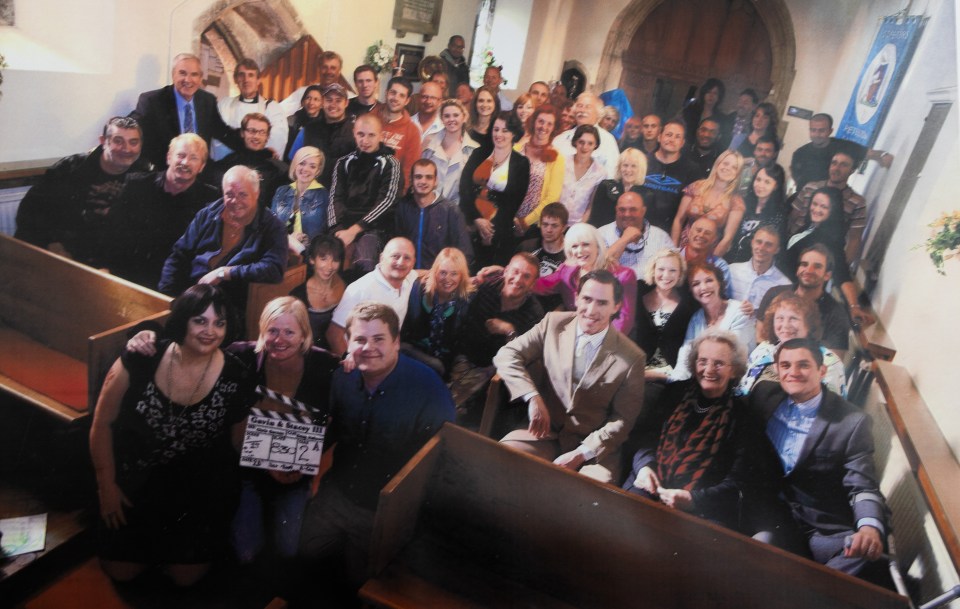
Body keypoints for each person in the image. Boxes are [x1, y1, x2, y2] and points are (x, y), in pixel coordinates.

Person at [124, 296, 339, 567]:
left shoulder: (325, 365)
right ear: (262, 330)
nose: (279, 339)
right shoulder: (242, 355)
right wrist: (145, 332)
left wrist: (313, 466)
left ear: (304, 335)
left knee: (288, 548)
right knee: (246, 552)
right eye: (272, 330)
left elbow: (343, 400)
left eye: (289, 332)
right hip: (247, 470)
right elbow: (190, 343)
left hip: (294, 473)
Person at [89, 285, 254, 586]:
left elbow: (237, 444)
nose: (210, 331)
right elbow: (102, 424)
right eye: (200, 321)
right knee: (121, 572)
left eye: (220, 323)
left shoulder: (236, 375)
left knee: (185, 579)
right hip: (136, 480)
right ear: (183, 321)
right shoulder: (143, 356)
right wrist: (106, 487)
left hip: (194, 491)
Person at [299, 303, 455, 597]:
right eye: (359, 339)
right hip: (338, 494)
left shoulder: (429, 389)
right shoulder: (343, 378)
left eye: (379, 339)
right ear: (348, 343)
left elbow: (441, 461)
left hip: (385, 511)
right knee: (305, 554)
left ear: (397, 342)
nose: (368, 347)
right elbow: (328, 429)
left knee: (364, 583)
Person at [750, 338, 890, 578]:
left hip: (822, 529)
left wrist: (868, 527)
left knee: (862, 557)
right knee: (756, 552)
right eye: (785, 366)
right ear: (777, 369)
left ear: (822, 371)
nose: (793, 373)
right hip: (773, 520)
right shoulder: (763, 397)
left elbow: (862, 485)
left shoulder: (851, 421)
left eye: (803, 365)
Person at [495, 270, 646, 484]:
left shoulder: (632, 358)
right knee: (501, 457)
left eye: (602, 303)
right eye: (587, 299)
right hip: (545, 433)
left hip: (593, 452)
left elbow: (622, 421)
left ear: (617, 306)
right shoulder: (553, 323)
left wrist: (581, 453)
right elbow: (507, 354)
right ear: (576, 298)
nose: (591, 310)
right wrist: (531, 396)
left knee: (589, 493)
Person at [624, 330, 778, 533]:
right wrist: (645, 467)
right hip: (651, 484)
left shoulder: (743, 417)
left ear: (734, 370)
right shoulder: (674, 393)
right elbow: (645, 439)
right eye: (702, 361)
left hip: (703, 506)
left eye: (719, 363)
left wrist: (693, 500)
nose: (709, 369)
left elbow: (739, 481)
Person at [15, 116, 153, 263]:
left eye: (134, 142)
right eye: (118, 141)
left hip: (111, 260)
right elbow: (30, 211)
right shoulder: (70, 168)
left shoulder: (146, 175)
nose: (126, 149)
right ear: (103, 141)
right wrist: (51, 243)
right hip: (62, 251)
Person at [158, 165, 288, 310]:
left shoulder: (272, 226)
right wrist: (165, 298)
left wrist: (225, 273)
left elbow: (274, 269)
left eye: (243, 194)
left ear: (256, 193)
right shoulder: (207, 214)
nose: (235, 201)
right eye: (229, 194)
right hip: (191, 296)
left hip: (228, 305)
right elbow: (178, 255)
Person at [104, 134, 219, 289]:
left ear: (202, 166)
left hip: (174, 286)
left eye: (193, 158)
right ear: (169, 157)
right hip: (126, 277)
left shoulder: (210, 200)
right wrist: (105, 267)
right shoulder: (137, 184)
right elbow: (111, 230)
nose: (185, 162)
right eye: (181, 155)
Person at [448, 253, 544, 410]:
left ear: (533, 284)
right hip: (461, 353)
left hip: (491, 370)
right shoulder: (487, 286)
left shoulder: (534, 314)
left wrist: (509, 331)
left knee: (453, 400)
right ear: (505, 271)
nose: (518, 279)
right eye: (515, 272)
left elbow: (524, 357)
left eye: (526, 276)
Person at [130, 53, 242, 169]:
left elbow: (223, 132)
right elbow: (131, 128)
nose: (188, 80)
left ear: (200, 78)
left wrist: (251, 142)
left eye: (194, 74)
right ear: (173, 75)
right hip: (167, 171)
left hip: (201, 170)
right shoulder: (152, 101)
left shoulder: (207, 101)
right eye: (182, 73)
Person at [532, 222, 638, 336]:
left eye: (585, 244)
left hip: (609, 342)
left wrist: (599, 344)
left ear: (597, 246)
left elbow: (624, 321)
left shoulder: (623, 276)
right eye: (574, 246)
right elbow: (536, 286)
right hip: (574, 337)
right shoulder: (567, 273)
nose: (580, 251)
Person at [327, 114, 401, 272]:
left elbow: (387, 202)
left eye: (371, 135)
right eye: (361, 134)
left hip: (375, 227)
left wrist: (354, 230)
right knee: (324, 257)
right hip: (343, 225)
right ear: (354, 133)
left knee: (364, 261)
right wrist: (338, 230)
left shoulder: (391, 163)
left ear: (381, 135)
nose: (365, 141)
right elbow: (335, 198)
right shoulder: (343, 162)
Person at [736, 292, 845, 396]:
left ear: (808, 324)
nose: (785, 325)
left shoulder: (829, 361)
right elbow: (742, 389)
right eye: (780, 318)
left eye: (793, 318)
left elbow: (829, 406)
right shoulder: (763, 350)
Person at [662, 263, 755, 382]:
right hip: (707, 380)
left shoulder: (740, 311)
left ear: (719, 283)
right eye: (696, 284)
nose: (704, 287)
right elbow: (684, 363)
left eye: (709, 280)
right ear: (691, 291)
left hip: (737, 382)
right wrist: (663, 377)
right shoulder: (696, 319)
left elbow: (730, 359)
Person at [460, 111, 531, 267]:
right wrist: (476, 219)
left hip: (499, 230)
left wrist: (490, 230)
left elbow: (513, 202)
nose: (499, 134)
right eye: (496, 129)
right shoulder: (479, 154)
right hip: (470, 224)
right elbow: (464, 188)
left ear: (514, 133)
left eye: (505, 130)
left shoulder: (521, 163)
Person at [325, 237, 417, 356]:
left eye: (407, 258)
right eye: (395, 256)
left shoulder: (409, 278)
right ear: (382, 258)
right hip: (363, 358)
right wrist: (352, 367)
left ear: (413, 263)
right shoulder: (360, 289)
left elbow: (422, 273)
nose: (400, 262)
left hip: (389, 353)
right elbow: (334, 335)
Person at [757, 244, 851, 359]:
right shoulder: (774, 294)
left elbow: (834, 359)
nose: (808, 270)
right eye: (804, 264)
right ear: (797, 270)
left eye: (817, 266)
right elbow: (760, 336)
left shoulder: (837, 313)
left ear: (827, 275)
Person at [401, 247, 475, 377]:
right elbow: (408, 328)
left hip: (446, 358)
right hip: (414, 350)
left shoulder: (467, 298)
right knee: (435, 367)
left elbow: (464, 337)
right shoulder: (419, 288)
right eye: (443, 273)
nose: (447, 279)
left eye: (454, 273)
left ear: (461, 275)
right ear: (435, 272)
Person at [788, 151, 869, 269]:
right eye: (834, 163)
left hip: (822, 258)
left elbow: (854, 239)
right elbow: (792, 216)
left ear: (852, 170)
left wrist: (841, 269)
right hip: (794, 246)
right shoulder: (810, 187)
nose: (836, 168)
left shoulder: (856, 201)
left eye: (843, 165)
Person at [394, 159, 474, 269]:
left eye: (429, 177)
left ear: (436, 181)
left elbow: (464, 254)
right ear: (411, 179)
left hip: (439, 278)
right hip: (405, 275)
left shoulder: (451, 211)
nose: (423, 181)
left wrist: (436, 274)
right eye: (418, 177)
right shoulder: (401, 208)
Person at [635, 249, 699, 383]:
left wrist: (743, 307)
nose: (666, 275)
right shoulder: (638, 291)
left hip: (670, 373)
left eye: (673, 270)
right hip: (636, 367)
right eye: (661, 269)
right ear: (653, 270)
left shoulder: (688, 302)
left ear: (680, 273)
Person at [671, 150, 746, 256]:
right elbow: (678, 220)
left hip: (709, 254)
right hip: (682, 250)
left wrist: (711, 263)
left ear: (737, 174)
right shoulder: (695, 187)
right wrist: (674, 251)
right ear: (718, 164)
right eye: (725, 163)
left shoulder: (736, 202)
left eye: (734, 167)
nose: (728, 168)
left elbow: (728, 238)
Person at [207, 112, 289, 210]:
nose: (256, 136)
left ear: (267, 137)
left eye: (262, 132)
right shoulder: (226, 165)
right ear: (242, 133)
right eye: (251, 131)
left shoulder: (278, 169)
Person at [214, 58, 287, 160]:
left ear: (258, 80)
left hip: (258, 164)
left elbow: (278, 139)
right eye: (241, 75)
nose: (246, 80)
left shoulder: (272, 108)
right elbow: (217, 139)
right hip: (228, 163)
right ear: (235, 79)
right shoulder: (224, 104)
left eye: (251, 75)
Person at [286, 83, 356, 188]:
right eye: (329, 100)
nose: (333, 105)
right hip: (311, 195)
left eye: (338, 100)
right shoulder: (308, 130)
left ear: (346, 103)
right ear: (323, 102)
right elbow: (294, 163)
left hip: (342, 197)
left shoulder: (356, 133)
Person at [782, 187, 851, 290]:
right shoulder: (808, 227)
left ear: (833, 210)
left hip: (797, 290)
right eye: (814, 204)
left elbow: (842, 273)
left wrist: (854, 305)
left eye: (823, 207)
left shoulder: (831, 240)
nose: (817, 209)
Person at [640, 120, 701, 233]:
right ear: (659, 137)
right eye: (668, 135)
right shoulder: (642, 161)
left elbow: (683, 216)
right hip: (638, 227)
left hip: (668, 232)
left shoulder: (692, 170)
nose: (672, 140)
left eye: (677, 137)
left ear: (682, 143)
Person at [512, 103, 564, 235]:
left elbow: (552, 197)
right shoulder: (516, 150)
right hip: (508, 218)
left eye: (549, 124)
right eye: (541, 121)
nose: (544, 127)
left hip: (533, 226)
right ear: (533, 122)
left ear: (554, 128)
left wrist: (525, 222)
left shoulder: (557, 158)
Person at [598, 191, 674, 278]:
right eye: (622, 209)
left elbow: (675, 268)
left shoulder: (661, 237)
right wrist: (624, 239)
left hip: (651, 289)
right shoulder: (601, 234)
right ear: (616, 210)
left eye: (633, 209)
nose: (627, 214)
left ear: (643, 211)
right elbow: (598, 269)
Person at [420, 98, 481, 207]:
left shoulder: (474, 150)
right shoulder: (429, 143)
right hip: (429, 207)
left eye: (456, 115)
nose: (451, 119)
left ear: (464, 117)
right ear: (441, 119)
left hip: (458, 212)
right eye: (447, 116)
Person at [270, 146, 329, 258]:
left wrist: (303, 240)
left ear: (318, 171)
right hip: (280, 248)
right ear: (295, 164)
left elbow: (320, 234)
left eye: (312, 166)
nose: (306, 169)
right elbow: (272, 227)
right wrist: (289, 239)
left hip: (307, 254)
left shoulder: (323, 195)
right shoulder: (281, 191)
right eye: (302, 163)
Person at [789, 113, 872, 192]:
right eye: (813, 130)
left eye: (821, 131)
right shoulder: (799, 154)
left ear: (830, 131)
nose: (817, 134)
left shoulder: (841, 145)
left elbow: (866, 152)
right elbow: (797, 180)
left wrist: (883, 155)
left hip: (832, 199)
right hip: (804, 198)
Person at [290, 235, 346, 350]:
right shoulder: (298, 295)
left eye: (335, 260)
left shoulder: (349, 284)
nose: (329, 267)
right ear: (312, 259)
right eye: (323, 259)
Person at [725, 164, 788, 263]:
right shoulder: (742, 204)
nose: (760, 185)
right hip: (728, 260)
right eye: (758, 180)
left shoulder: (778, 216)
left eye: (767, 182)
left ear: (776, 186)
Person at [552, 91, 621, 178]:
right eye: (579, 106)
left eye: (588, 107)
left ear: (598, 113)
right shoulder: (560, 140)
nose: (582, 110)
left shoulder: (608, 141)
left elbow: (612, 174)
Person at [728, 225, 792, 310]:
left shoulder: (784, 285)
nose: (761, 248)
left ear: (777, 250)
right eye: (759, 242)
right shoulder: (731, 270)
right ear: (752, 243)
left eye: (768, 245)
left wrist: (755, 313)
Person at [559, 124, 607, 225]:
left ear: (595, 145)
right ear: (575, 142)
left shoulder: (600, 172)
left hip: (578, 225)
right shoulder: (561, 162)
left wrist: (579, 228)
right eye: (581, 142)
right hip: (556, 221)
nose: (585, 147)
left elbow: (591, 206)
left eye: (590, 143)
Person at [589, 147, 648, 228]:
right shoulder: (605, 186)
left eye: (633, 166)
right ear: (620, 167)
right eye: (625, 165)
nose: (628, 170)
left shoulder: (647, 194)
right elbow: (594, 219)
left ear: (640, 169)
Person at [279, 51, 351, 117]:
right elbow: (280, 112)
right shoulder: (303, 92)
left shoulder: (348, 97)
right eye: (324, 67)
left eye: (333, 68)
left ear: (339, 71)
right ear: (319, 69)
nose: (328, 72)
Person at [377, 77, 422, 184]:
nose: (396, 98)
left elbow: (409, 170)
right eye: (393, 93)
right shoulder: (371, 118)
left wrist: (399, 194)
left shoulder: (412, 131)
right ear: (386, 93)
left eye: (401, 95)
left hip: (391, 190)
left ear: (407, 101)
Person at [680, 216, 733, 297]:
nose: (701, 235)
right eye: (698, 230)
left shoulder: (720, 266)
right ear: (689, 233)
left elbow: (723, 299)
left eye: (707, 233)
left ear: (714, 240)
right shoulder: (671, 256)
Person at [519, 202, 569, 279]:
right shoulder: (526, 247)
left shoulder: (569, 256)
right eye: (545, 224)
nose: (549, 230)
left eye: (554, 226)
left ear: (564, 228)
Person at [283, 85, 323, 162]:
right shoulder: (292, 120)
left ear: (322, 104)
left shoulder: (325, 124)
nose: (311, 102)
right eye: (308, 98)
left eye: (316, 99)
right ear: (303, 101)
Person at [468, 85, 501, 151]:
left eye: (489, 101)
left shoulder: (499, 130)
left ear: (495, 104)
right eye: (481, 100)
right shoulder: (467, 127)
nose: (485, 105)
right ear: (475, 103)